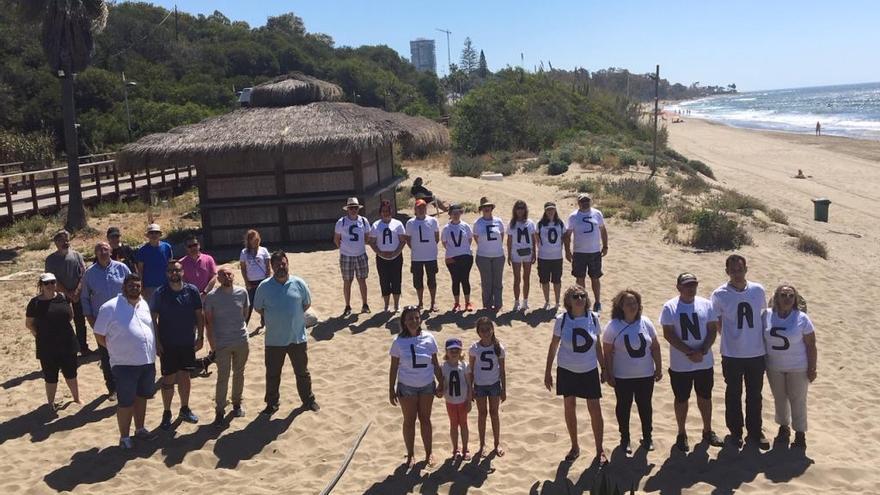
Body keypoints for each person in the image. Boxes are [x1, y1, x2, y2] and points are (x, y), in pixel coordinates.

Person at [711, 254, 769, 449]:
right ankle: (735, 431)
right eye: (733, 270)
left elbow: (763, 316)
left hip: (756, 353)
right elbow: (717, 322)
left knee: (755, 394)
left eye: (740, 269)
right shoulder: (720, 294)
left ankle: (755, 431)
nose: (737, 273)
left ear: (746, 269)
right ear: (727, 271)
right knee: (733, 393)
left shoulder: (758, 290)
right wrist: (733, 339)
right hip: (732, 354)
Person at [660, 272, 724, 452]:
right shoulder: (670, 307)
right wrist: (689, 352)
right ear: (679, 287)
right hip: (681, 364)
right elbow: (668, 333)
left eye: (693, 284)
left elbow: (712, 330)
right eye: (687, 285)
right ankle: (681, 433)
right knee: (681, 398)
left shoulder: (706, 304)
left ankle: (707, 430)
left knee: (705, 397)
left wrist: (702, 350)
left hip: (704, 362)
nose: (691, 288)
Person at [93, 274, 158, 450]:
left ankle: (140, 429)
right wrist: (113, 350)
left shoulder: (144, 304)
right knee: (126, 402)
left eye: (137, 286)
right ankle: (124, 436)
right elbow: (99, 333)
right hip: (124, 364)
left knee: (142, 397)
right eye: (131, 286)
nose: (134, 288)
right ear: (123, 287)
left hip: (146, 361)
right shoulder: (110, 307)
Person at [544, 285, 606, 464]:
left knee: (595, 408)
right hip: (567, 369)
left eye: (582, 296)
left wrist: (604, 368)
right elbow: (554, 345)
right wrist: (547, 371)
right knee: (569, 405)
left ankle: (599, 449)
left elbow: (597, 346)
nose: (579, 299)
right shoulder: (562, 320)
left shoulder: (593, 318)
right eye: (575, 296)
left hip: (589, 370)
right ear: (568, 301)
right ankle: (574, 445)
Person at [253, 250, 319, 415]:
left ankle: (308, 400)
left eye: (283, 263)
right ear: (272, 267)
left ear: (287, 263)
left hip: (297, 337)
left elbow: (306, 304)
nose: (281, 267)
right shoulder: (264, 286)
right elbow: (258, 308)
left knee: (302, 372)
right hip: (274, 340)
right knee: (273, 374)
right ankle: (272, 403)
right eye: (277, 265)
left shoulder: (299, 283)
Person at [602, 289, 663, 454]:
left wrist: (659, 367)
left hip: (646, 374)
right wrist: (608, 372)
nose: (632, 306)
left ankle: (647, 437)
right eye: (628, 303)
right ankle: (625, 438)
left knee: (645, 406)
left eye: (635, 303)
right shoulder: (613, 326)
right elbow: (606, 352)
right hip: (623, 376)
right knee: (623, 407)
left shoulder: (646, 322)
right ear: (621, 306)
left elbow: (655, 347)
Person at [150, 260, 204, 429]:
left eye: (177, 270)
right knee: (168, 379)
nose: (174, 273)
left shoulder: (191, 290)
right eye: (171, 271)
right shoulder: (160, 292)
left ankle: (185, 408)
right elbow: (153, 319)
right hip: (168, 343)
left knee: (185, 376)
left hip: (187, 341)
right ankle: (167, 412)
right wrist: (157, 342)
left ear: (183, 272)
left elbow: (199, 314)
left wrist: (201, 336)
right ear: (167, 273)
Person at [388, 306, 444, 467]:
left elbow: (435, 362)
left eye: (416, 318)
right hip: (407, 387)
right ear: (404, 322)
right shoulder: (398, 342)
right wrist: (391, 388)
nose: (414, 321)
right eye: (410, 318)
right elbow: (393, 367)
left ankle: (429, 453)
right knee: (409, 421)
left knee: (425, 419)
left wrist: (441, 381)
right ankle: (410, 454)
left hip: (427, 385)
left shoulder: (429, 338)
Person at [764, 284, 817, 450]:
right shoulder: (766, 315)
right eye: (783, 295)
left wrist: (812, 368)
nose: (787, 299)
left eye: (790, 296)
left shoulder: (801, 318)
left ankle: (800, 434)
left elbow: (811, 345)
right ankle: (783, 428)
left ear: (795, 299)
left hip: (798, 367)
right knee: (780, 398)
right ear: (776, 298)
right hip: (774, 366)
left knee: (798, 400)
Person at [81, 242, 131, 401]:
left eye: (105, 249)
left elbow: (133, 286)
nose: (102, 252)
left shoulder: (121, 268)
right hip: (102, 321)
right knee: (106, 354)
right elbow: (84, 298)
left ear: (110, 251)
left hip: (123, 318)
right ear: (95, 254)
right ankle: (113, 388)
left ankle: (127, 384)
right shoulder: (89, 274)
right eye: (99, 250)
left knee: (125, 351)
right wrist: (90, 319)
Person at [25, 273, 81, 410]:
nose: (50, 285)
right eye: (46, 283)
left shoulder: (63, 298)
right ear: (41, 285)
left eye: (52, 282)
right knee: (50, 376)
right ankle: (51, 402)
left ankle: (76, 399)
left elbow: (70, 316)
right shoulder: (35, 303)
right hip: (47, 346)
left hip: (67, 343)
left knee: (71, 373)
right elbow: (29, 324)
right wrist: (39, 335)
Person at [205, 266, 250, 427]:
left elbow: (245, 313)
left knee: (239, 373)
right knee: (222, 377)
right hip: (222, 343)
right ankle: (220, 411)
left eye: (229, 274)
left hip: (241, 340)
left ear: (234, 275)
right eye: (222, 274)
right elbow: (209, 323)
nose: (227, 277)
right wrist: (213, 344)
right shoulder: (211, 297)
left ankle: (237, 403)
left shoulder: (242, 292)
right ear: (218, 278)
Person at [44, 229, 89, 355]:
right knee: (63, 323)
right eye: (62, 240)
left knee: (80, 322)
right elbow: (52, 280)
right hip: (61, 296)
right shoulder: (51, 260)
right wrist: (68, 293)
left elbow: (84, 274)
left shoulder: (76, 255)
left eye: (67, 239)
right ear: (56, 243)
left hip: (77, 295)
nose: (66, 242)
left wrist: (77, 291)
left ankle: (83, 347)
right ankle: (67, 349)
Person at [468, 317, 506, 458]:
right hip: (480, 386)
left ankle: (497, 443)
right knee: (482, 414)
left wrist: (504, 389)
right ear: (478, 332)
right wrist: (471, 388)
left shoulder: (498, 347)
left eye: (488, 330)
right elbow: (470, 370)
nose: (485, 333)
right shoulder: (474, 348)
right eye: (482, 330)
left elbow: (502, 370)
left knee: (494, 414)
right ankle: (482, 444)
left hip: (494, 385)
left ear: (492, 330)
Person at [564, 193, 608, 312]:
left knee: (595, 277)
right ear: (578, 203)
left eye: (587, 200)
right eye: (582, 201)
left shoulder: (597, 214)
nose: (585, 203)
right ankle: (582, 301)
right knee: (580, 279)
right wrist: (567, 251)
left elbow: (603, 230)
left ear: (590, 201)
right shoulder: (573, 216)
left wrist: (605, 246)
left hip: (594, 252)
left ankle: (597, 302)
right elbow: (567, 235)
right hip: (579, 253)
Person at [334, 197, 371, 316]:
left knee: (362, 280)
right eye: (351, 208)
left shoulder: (364, 221)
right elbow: (336, 239)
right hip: (346, 256)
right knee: (347, 281)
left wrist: (358, 247)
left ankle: (365, 304)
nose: (353, 210)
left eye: (355, 208)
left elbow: (367, 237)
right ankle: (347, 306)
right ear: (347, 209)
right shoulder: (341, 222)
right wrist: (345, 249)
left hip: (360, 255)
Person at [403, 199, 441, 312]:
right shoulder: (410, 223)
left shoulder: (433, 221)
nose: (421, 209)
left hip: (431, 256)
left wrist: (429, 248)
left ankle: (433, 303)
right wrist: (415, 249)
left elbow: (436, 237)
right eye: (419, 207)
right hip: (416, 257)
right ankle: (420, 302)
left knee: (432, 280)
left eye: (423, 207)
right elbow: (408, 240)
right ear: (415, 209)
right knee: (418, 281)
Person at [369, 199, 405, 313]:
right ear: (380, 212)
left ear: (391, 211)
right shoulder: (375, 225)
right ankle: (386, 305)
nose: (386, 213)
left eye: (388, 210)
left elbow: (402, 241)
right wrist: (380, 252)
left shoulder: (398, 224)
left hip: (396, 257)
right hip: (382, 258)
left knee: (396, 280)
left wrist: (396, 252)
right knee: (384, 281)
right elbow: (372, 242)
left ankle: (396, 305)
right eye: (384, 211)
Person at [473, 197, 506, 311]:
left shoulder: (498, 221)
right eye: (484, 207)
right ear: (481, 209)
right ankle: (487, 305)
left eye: (489, 207)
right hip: (483, 256)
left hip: (498, 255)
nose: (487, 209)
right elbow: (476, 238)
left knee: (498, 281)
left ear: (492, 208)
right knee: (486, 282)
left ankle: (498, 304)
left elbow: (501, 235)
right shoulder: (478, 223)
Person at [441, 203, 475, 312]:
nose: (455, 215)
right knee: (455, 280)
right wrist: (452, 251)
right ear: (450, 214)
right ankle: (456, 303)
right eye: (453, 213)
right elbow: (444, 242)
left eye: (457, 213)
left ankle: (467, 302)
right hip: (451, 257)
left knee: (465, 279)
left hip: (466, 256)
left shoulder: (465, 226)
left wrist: (462, 250)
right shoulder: (446, 228)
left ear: (460, 213)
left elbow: (470, 239)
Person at [442, 338, 471, 460]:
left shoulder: (464, 365)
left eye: (457, 350)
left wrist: (469, 400)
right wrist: (440, 391)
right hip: (450, 401)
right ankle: (455, 449)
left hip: (463, 400)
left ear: (460, 352)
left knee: (464, 424)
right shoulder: (444, 367)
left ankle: (465, 448)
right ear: (446, 352)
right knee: (453, 425)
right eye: (451, 350)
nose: (454, 352)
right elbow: (443, 384)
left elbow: (469, 384)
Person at [507, 200, 537, 312]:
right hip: (516, 253)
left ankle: (525, 301)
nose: (520, 210)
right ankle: (516, 302)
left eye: (522, 208)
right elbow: (509, 240)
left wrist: (535, 252)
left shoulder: (530, 223)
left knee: (526, 278)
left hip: (528, 253)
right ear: (515, 210)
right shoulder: (512, 224)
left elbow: (533, 239)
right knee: (517, 278)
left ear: (525, 210)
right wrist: (509, 254)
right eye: (518, 208)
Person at [537, 202, 566, 310]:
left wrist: (562, 247)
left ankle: (557, 302)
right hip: (543, 257)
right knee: (544, 280)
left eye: (552, 209)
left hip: (557, 257)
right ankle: (547, 301)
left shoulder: (560, 223)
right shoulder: (540, 224)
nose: (550, 211)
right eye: (548, 209)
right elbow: (536, 236)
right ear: (545, 211)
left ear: (555, 210)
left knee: (557, 280)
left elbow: (564, 236)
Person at [239, 229, 271, 328]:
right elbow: (243, 269)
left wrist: (267, 278)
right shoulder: (244, 252)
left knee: (264, 303)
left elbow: (268, 266)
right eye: (254, 240)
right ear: (249, 241)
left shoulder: (264, 250)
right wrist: (246, 282)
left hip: (262, 280)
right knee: (250, 304)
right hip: (251, 282)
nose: (256, 242)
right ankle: (245, 324)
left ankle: (264, 322)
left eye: (258, 239)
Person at [136, 224, 174, 302]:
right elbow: (140, 270)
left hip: (166, 285)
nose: (154, 235)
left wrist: (172, 283)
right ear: (148, 235)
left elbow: (171, 266)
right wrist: (141, 287)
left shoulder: (167, 247)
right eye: (151, 233)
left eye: (156, 233)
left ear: (160, 234)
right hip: (149, 287)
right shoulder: (142, 250)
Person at [180, 236, 217, 300]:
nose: (193, 248)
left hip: (208, 295)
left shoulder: (209, 259)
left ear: (199, 245)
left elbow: (214, 277)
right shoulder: (181, 263)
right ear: (186, 248)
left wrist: (205, 292)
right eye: (190, 246)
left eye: (195, 245)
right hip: (190, 297)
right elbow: (182, 281)